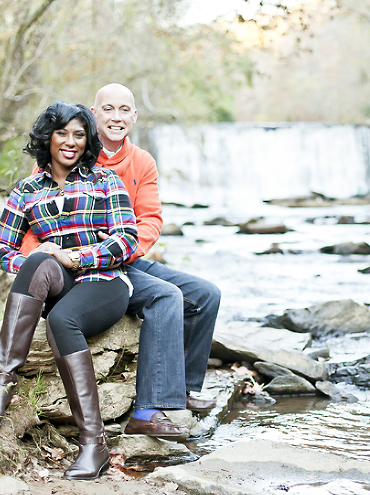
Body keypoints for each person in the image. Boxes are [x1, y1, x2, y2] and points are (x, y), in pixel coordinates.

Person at [19, 84, 221, 437]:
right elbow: (31, 219)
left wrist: (122, 248)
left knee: (205, 295)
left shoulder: (141, 161)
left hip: (127, 256)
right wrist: (49, 259)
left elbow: (150, 220)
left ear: (134, 116)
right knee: (166, 297)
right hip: (80, 263)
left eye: (124, 110)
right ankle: (147, 411)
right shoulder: (71, 150)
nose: (116, 117)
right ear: (94, 114)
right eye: (108, 109)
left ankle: (182, 390)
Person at [0, 101, 138, 480]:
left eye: (79, 135)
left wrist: (76, 258)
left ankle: (93, 446)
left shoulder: (104, 181)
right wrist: (36, 260)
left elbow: (127, 239)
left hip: (105, 281)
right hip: (56, 283)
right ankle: (3, 383)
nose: (70, 142)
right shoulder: (27, 189)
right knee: (36, 259)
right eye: (62, 133)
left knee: (62, 321)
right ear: (47, 138)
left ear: (88, 141)